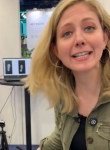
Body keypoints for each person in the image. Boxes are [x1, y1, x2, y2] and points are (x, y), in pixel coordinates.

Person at [24, 0, 110, 149]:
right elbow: (59, 138)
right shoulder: (64, 97)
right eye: (67, 33)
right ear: (55, 50)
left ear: (104, 37)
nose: (79, 40)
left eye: (89, 28)